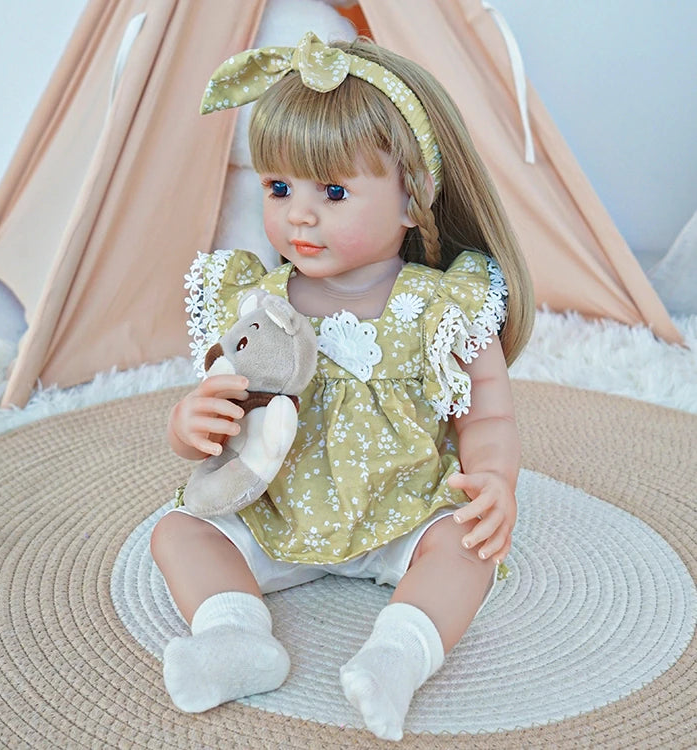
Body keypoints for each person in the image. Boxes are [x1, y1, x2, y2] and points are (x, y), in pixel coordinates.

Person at [150, 32, 534, 741]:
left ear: (414, 200)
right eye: (278, 188)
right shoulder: (255, 301)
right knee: (177, 531)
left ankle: (397, 654)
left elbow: (488, 415)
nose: (299, 213)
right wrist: (190, 421)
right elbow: (218, 395)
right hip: (276, 510)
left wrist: (494, 480)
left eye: (331, 191)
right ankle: (235, 635)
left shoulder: (443, 305)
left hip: (405, 508)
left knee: (468, 550)